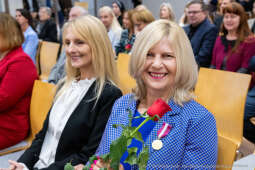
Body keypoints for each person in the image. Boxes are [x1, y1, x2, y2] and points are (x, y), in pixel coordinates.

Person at [77, 19, 218, 169]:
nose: (156, 64)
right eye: (149, 55)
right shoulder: (122, 104)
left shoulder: (199, 120)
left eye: (167, 56)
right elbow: (101, 155)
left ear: (182, 62)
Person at [3, 15, 122, 170]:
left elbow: (87, 155)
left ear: (97, 45)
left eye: (79, 42)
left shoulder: (109, 95)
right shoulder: (64, 86)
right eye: (67, 43)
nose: (70, 49)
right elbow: (42, 136)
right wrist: (22, 164)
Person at [0, 13, 38, 150]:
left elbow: (2, 100)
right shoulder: (6, 58)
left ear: (7, 35)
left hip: (8, 128)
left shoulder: (21, 62)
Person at [48, 6, 88, 84]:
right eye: (68, 42)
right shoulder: (69, 45)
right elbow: (57, 66)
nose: (69, 20)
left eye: (74, 16)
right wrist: (51, 80)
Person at [211, 2, 255, 73]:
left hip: (238, 81)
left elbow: (245, 68)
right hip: (217, 80)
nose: (228, 20)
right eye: (226, 17)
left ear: (241, 19)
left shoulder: (250, 40)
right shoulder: (219, 39)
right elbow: (213, 64)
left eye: (233, 17)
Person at [184, 0, 218, 68]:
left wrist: (182, 64)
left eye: (195, 12)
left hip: (198, 71)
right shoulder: (185, 29)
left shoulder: (210, 30)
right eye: (189, 12)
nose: (191, 15)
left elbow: (203, 58)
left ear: (205, 13)